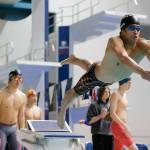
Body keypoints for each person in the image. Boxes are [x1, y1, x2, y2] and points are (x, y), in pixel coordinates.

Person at [57, 14, 150, 128]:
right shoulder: (114, 41)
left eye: (138, 28)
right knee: (73, 93)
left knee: (90, 65)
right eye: (131, 28)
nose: (136, 31)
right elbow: (123, 57)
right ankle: (61, 113)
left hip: (108, 80)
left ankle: (74, 59)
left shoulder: (144, 45)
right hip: (95, 76)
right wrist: (143, 73)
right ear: (123, 30)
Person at [0, 69, 26, 150]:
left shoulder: (22, 96)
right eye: (16, 78)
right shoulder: (2, 94)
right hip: (1, 128)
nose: (18, 81)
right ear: (10, 79)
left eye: (20, 79)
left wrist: (22, 131)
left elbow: (21, 116)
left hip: (14, 129)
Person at [110, 77, 138, 150]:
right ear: (123, 83)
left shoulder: (124, 95)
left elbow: (122, 111)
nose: (130, 84)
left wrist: (125, 125)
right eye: (129, 83)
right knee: (134, 149)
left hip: (122, 125)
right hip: (117, 126)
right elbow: (112, 113)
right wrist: (124, 125)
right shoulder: (115, 94)